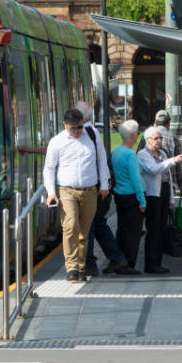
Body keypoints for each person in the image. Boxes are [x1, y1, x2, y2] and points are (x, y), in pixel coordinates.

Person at [44, 109, 110, 282]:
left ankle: (81, 267)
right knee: (70, 225)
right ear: (65, 125)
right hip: (66, 190)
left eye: (80, 127)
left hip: (89, 190)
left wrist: (104, 185)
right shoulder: (56, 142)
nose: (78, 131)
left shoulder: (92, 134)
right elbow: (49, 168)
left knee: (84, 232)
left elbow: (102, 160)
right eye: (73, 129)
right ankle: (71, 267)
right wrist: (51, 192)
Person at [75, 101, 128, 278]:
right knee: (97, 224)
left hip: (94, 189)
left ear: (81, 117)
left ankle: (90, 264)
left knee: (89, 226)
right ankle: (116, 258)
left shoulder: (85, 133)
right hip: (99, 188)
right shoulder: (93, 132)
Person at [137, 125, 182, 274]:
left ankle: (157, 262)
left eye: (160, 138)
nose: (159, 141)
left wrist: (171, 198)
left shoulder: (163, 154)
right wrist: (172, 160)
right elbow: (153, 170)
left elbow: (168, 178)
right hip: (152, 195)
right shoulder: (143, 155)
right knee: (153, 230)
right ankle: (151, 264)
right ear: (147, 140)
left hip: (163, 193)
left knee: (161, 228)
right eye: (155, 138)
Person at [110, 119, 145, 274]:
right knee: (133, 232)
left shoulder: (116, 151)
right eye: (137, 133)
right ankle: (129, 264)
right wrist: (142, 200)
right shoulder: (130, 154)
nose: (138, 135)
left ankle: (120, 260)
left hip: (119, 194)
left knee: (122, 229)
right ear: (132, 135)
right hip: (132, 196)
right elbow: (135, 178)